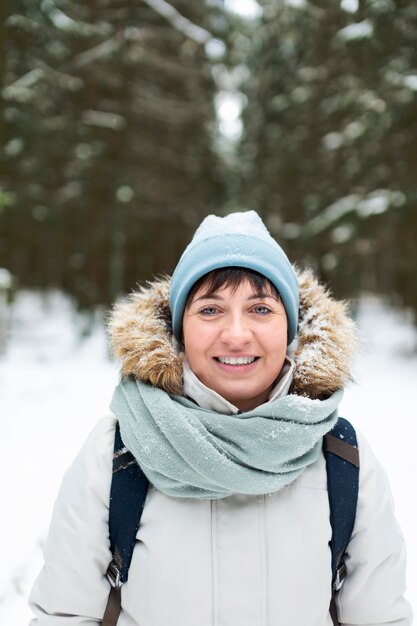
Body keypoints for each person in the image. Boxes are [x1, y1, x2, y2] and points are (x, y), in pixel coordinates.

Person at [29, 211, 412, 625]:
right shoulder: (118, 452)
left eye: (261, 309)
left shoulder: (342, 457)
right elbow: (64, 616)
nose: (236, 334)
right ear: (179, 329)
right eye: (210, 310)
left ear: (290, 329)